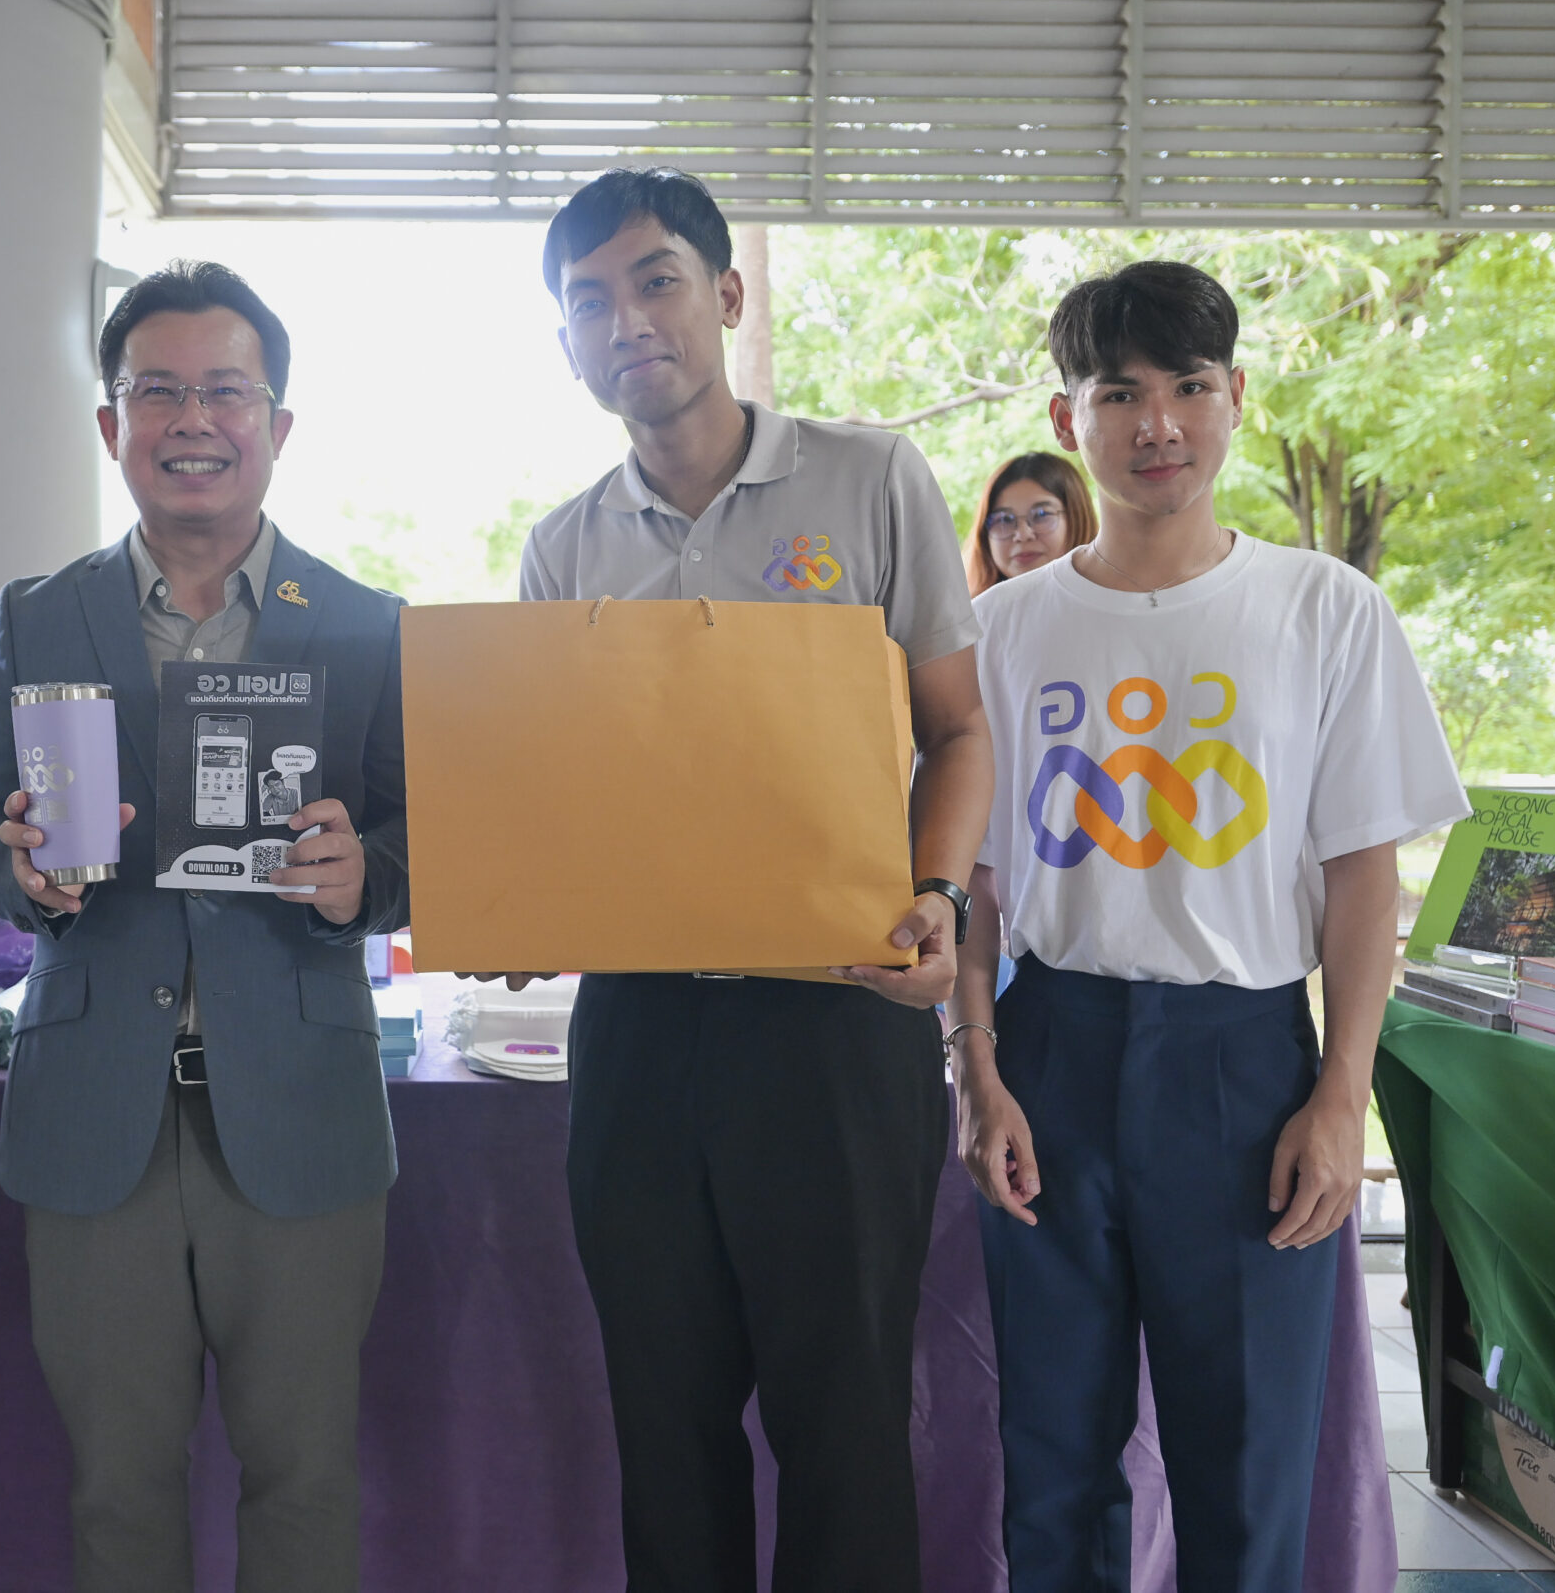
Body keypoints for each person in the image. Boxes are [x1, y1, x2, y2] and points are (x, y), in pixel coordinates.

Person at [948, 260, 1468, 1593]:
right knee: (1050, 1459)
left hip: (1243, 1064)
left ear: (1236, 396)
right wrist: (977, 1067)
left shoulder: (1324, 610)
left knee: (1245, 1468)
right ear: (1068, 417)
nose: (1159, 423)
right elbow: (974, 886)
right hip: (1049, 1051)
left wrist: (1341, 1094)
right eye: (1120, 392)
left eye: (1188, 386)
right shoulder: (998, 630)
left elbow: (1363, 875)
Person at [516, 167, 995, 1592]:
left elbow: (959, 730)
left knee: (844, 1425)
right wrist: (517, 894)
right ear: (567, 341)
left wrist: (938, 899)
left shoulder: (869, 477)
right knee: (664, 1430)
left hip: (839, 1017)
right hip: (640, 1033)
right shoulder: (564, 545)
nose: (626, 322)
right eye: (588, 302)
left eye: (656, 281)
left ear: (724, 295)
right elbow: (560, 795)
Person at [0, 261, 408, 1592]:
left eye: (225, 391)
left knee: (303, 1475)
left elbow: (425, 837)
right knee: (117, 1484)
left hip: (299, 1105)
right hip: (98, 1114)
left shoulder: (365, 625)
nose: (192, 419)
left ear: (278, 422)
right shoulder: (38, 615)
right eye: (157, 391)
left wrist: (360, 874)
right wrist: (21, 870)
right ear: (111, 423)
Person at [966, 449, 1097, 595]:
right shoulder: (976, 608)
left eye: (1041, 515)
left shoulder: (1107, 601)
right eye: (1004, 519)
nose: (1022, 535)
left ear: (1077, 520)